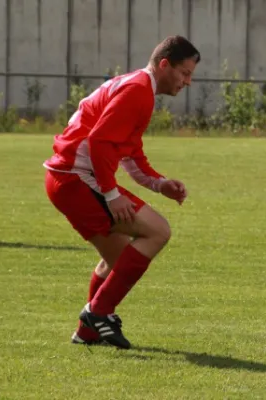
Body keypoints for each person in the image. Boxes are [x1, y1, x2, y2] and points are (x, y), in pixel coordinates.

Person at [43, 35, 201, 349]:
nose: (188, 82)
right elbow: (101, 141)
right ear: (164, 64)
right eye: (184, 73)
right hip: (75, 179)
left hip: (67, 178)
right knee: (158, 231)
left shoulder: (138, 86)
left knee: (118, 257)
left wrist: (159, 183)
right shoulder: (138, 90)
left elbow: (127, 150)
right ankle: (98, 313)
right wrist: (111, 195)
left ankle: (87, 332)